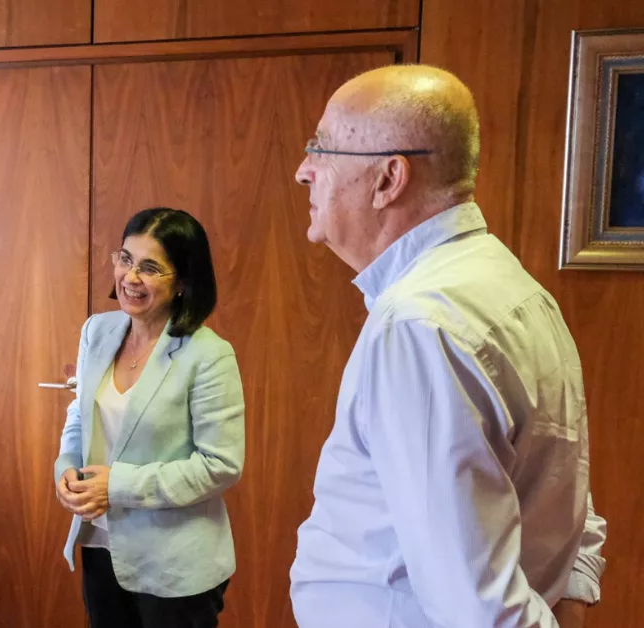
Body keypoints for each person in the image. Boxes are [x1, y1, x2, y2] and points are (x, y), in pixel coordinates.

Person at [288, 64, 607, 628]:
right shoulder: (512, 290)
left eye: (323, 148)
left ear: (389, 179)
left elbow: (476, 608)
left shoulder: (420, 323)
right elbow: (563, 497)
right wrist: (574, 592)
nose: (303, 170)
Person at [53, 207, 246, 628]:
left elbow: (221, 466)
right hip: (102, 544)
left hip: (176, 565)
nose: (130, 277)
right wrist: (65, 469)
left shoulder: (208, 355)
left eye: (150, 267)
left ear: (182, 281)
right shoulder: (97, 331)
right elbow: (80, 415)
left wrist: (118, 486)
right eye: (124, 259)